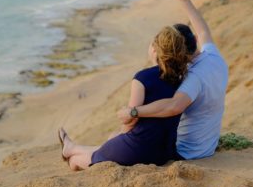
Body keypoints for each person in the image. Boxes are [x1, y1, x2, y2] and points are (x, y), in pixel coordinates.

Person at [115, 0, 229, 160]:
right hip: (206, 145)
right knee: (117, 139)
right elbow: (203, 30)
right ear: (193, 40)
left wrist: (133, 111)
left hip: (185, 151)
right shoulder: (213, 57)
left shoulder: (193, 78)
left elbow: (173, 107)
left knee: (118, 138)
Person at [58, 24, 192, 169]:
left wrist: (120, 136)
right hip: (164, 153)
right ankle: (71, 147)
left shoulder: (143, 78)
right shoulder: (182, 79)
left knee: (99, 152)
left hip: (138, 150)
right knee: (111, 143)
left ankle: (74, 159)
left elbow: (130, 121)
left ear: (154, 49)